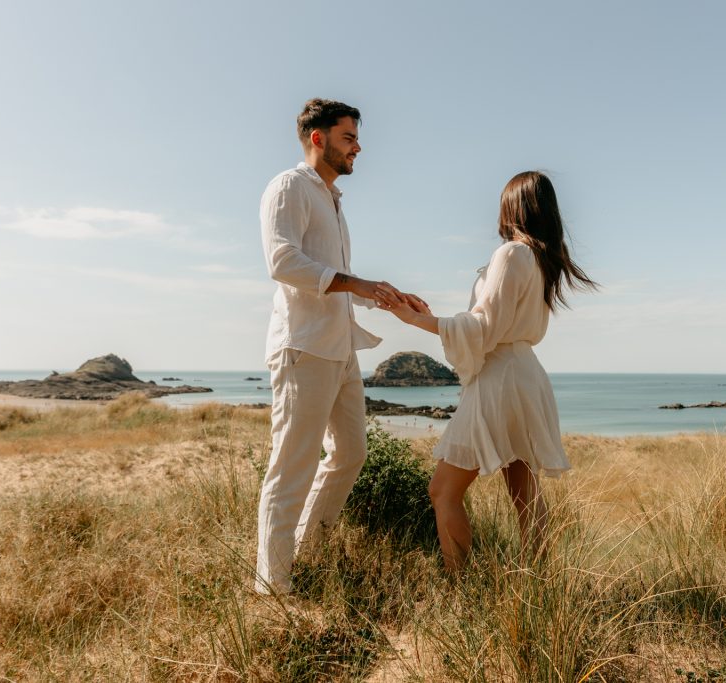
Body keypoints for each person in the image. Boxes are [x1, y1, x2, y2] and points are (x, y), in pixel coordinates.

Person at [382, 171, 597, 571]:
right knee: (524, 493)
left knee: (442, 491)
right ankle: (539, 585)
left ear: (512, 206)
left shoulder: (513, 253)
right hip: (525, 375)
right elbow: (494, 323)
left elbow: (484, 328)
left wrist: (414, 320)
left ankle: (458, 586)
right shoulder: (541, 259)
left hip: (500, 379)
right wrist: (440, 320)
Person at [255, 98, 425, 595]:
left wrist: (383, 295)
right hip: (304, 349)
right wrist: (359, 285)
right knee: (291, 468)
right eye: (348, 137)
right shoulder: (289, 186)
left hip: (341, 350)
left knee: (350, 453)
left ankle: (308, 553)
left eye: (355, 138)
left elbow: (338, 278)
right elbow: (283, 261)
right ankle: (274, 589)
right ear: (318, 138)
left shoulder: (332, 199)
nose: (357, 147)